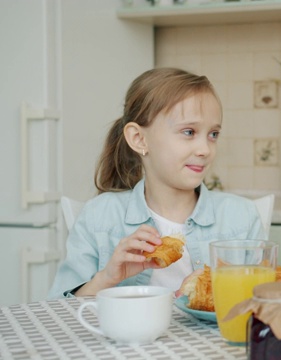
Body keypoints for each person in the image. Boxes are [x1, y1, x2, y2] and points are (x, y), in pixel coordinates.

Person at [49, 68, 265, 298]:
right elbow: (57, 313)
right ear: (139, 139)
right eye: (189, 132)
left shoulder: (241, 217)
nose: (205, 150)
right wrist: (107, 278)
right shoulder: (99, 216)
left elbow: (262, 305)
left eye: (213, 134)